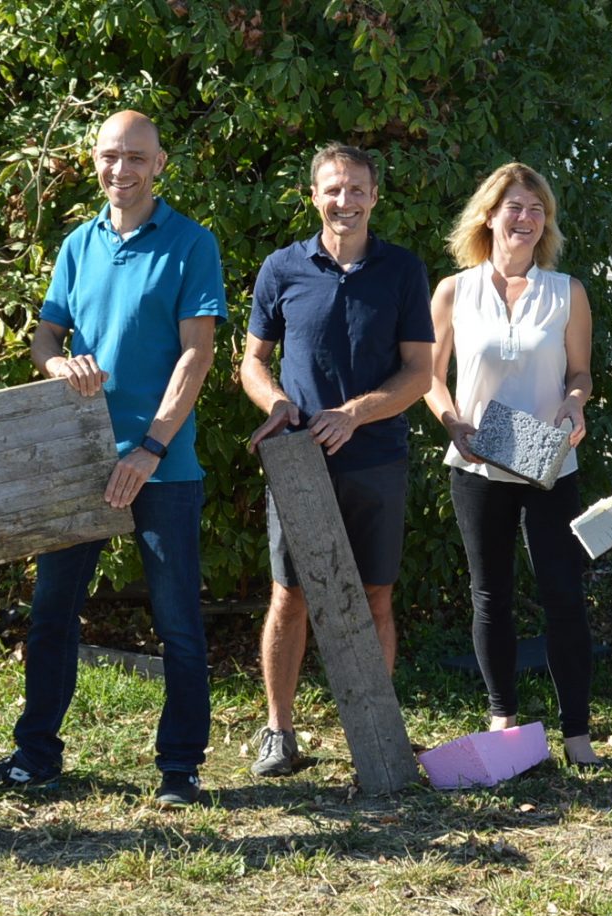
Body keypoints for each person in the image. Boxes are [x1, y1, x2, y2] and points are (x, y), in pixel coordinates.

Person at [0, 111, 226, 807]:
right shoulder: (78, 243)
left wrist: (151, 446)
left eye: (135, 157)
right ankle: (37, 754)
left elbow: (198, 352)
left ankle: (180, 766)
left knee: (178, 618)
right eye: (108, 156)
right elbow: (44, 339)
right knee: (51, 613)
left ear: (158, 165)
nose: (119, 169)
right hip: (79, 458)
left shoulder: (190, 243)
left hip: (163, 464)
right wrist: (60, 365)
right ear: (93, 161)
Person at [240, 143, 433, 777]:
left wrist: (353, 414)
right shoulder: (281, 268)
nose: (344, 201)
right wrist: (274, 404)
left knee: (376, 596)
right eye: (332, 189)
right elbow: (253, 362)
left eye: (356, 190)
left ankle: (373, 734)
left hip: (377, 455)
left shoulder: (402, 271)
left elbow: (419, 374)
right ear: (314, 195)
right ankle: (279, 732)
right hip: (297, 462)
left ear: (375, 196)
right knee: (290, 595)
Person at [424, 162, 602, 768]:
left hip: (549, 461)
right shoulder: (454, 291)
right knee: (490, 595)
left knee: (562, 592)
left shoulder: (567, 292)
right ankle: (502, 717)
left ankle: (576, 733)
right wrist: (452, 422)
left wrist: (575, 403)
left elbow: (580, 374)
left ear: (544, 222)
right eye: (514, 207)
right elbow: (428, 375)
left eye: (535, 209)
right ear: (489, 215)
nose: (524, 218)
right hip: (476, 462)